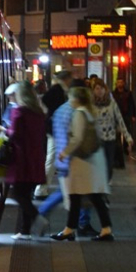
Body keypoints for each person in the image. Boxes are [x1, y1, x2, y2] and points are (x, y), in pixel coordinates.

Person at [51, 86, 114, 242]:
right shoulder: (89, 112)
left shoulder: (79, 113)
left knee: (77, 195)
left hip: (82, 161)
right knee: (90, 196)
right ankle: (100, 229)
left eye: (71, 97)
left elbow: (77, 138)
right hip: (92, 159)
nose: (69, 100)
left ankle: (71, 229)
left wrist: (64, 152)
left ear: (77, 99)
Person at [36, 79, 94, 236]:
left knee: (68, 192)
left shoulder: (60, 110)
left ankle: (75, 224)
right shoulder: (77, 111)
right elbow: (78, 138)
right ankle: (79, 224)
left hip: (64, 159)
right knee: (80, 193)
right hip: (75, 159)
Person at [2, 82, 47, 240]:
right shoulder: (39, 112)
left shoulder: (19, 111)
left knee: (17, 194)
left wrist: (4, 130)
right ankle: (25, 231)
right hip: (35, 157)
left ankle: (37, 218)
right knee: (26, 194)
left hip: (22, 158)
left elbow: (14, 134)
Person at [35, 70, 72, 199]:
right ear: (66, 79)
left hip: (55, 129)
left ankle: (43, 188)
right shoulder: (57, 90)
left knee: (54, 159)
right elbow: (45, 101)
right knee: (51, 160)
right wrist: (52, 115)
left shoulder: (59, 90)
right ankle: (41, 189)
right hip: (56, 130)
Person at [92, 77, 131, 184]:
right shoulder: (91, 105)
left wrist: (128, 137)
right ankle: (101, 184)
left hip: (110, 138)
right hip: (97, 139)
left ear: (105, 89)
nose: (99, 91)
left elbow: (119, 119)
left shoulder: (111, 103)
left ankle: (106, 181)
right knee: (99, 163)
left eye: (101, 88)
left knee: (109, 164)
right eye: (96, 89)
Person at [111, 77, 136, 154]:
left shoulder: (128, 93)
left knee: (126, 130)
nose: (120, 84)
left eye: (121, 82)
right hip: (116, 115)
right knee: (117, 133)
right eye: (118, 82)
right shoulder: (113, 94)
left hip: (126, 114)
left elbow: (132, 104)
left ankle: (125, 148)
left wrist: (133, 115)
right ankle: (118, 149)